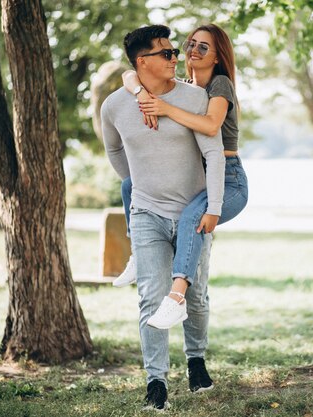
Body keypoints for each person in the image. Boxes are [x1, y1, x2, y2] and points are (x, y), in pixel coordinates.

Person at [101, 24, 225, 410]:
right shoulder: (115, 106)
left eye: (174, 52)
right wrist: (138, 183)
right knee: (151, 298)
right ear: (142, 62)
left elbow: (214, 154)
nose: (177, 58)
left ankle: (196, 360)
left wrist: (214, 209)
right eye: (167, 53)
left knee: (197, 296)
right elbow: (114, 151)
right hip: (146, 213)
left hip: (193, 214)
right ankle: (156, 382)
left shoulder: (195, 97)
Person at [113, 24, 249, 329]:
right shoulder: (186, 87)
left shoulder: (220, 84)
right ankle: (136, 253)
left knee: (191, 218)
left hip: (229, 179)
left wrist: (163, 107)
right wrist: (138, 92)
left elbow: (211, 125)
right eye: (191, 44)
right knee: (129, 185)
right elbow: (128, 74)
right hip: (199, 177)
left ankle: (176, 298)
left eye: (204, 47)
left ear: (217, 57)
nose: (193, 50)